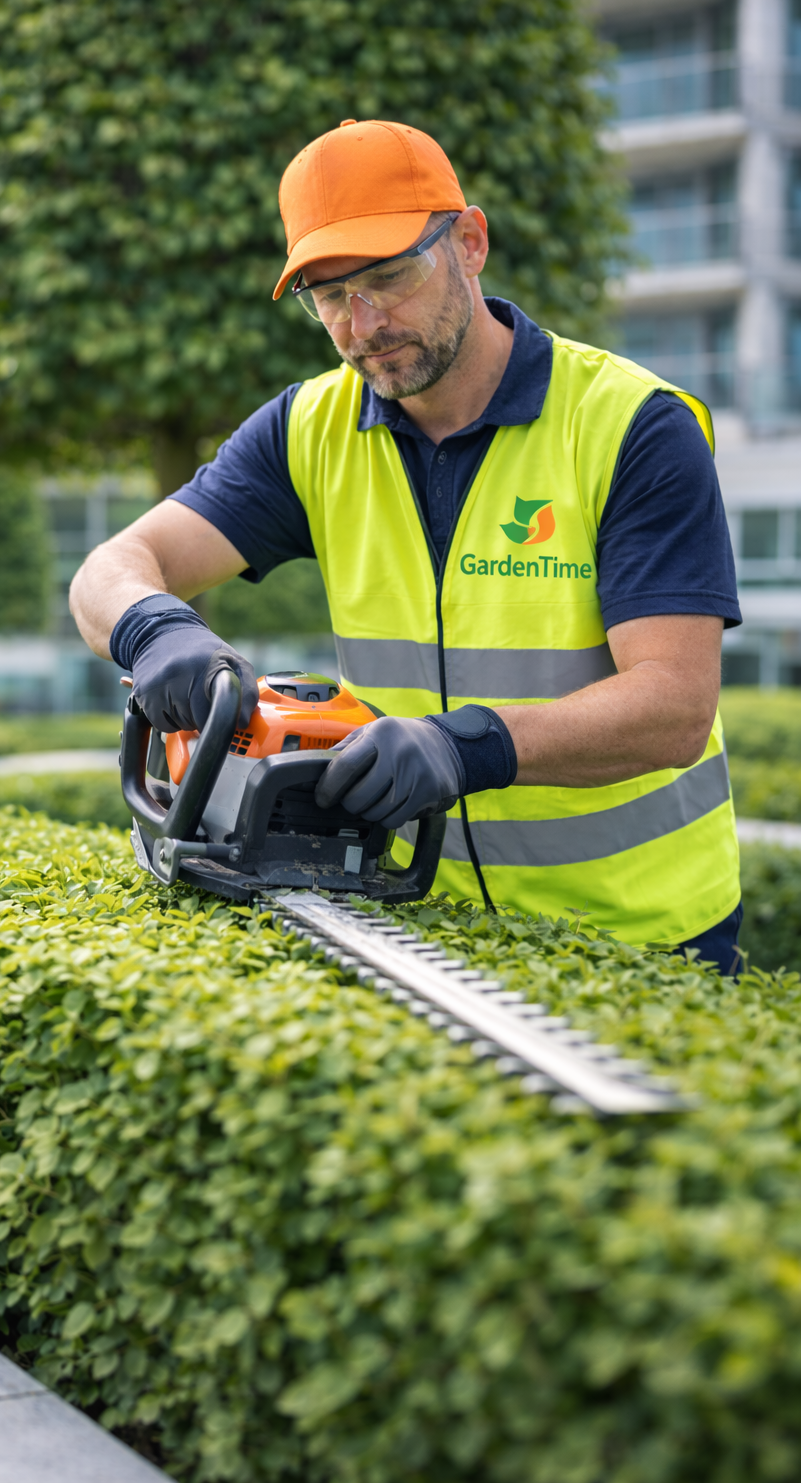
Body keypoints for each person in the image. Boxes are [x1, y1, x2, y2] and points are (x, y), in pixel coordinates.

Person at [70, 119, 742, 972]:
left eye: (389, 276)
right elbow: (109, 569)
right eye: (329, 296)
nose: (364, 323)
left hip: (649, 935)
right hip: (413, 924)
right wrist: (155, 627)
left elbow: (675, 707)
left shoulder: (631, 426)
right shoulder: (308, 427)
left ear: (469, 242)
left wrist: (463, 747)